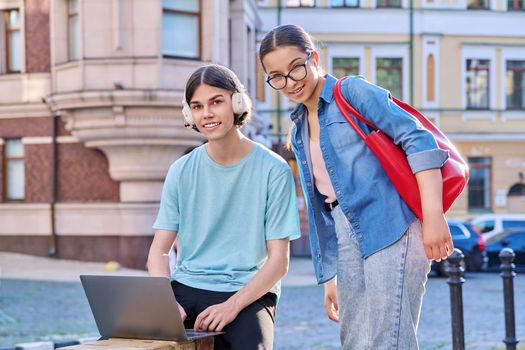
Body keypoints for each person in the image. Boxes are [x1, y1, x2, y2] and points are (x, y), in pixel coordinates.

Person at [259, 24, 453, 350]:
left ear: (314, 58)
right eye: (277, 76)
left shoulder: (351, 93)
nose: (290, 82)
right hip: (346, 239)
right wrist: (330, 275)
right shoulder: (297, 131)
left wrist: (433, 215)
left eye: (296, 68)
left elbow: (418, 140)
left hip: (392, 225)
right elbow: (323, 209)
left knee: (387, 340)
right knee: (354, 341)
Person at [147, 64, 300, 350]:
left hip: (249, 292)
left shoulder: (274, 170)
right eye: (197, 106)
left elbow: (279, 262)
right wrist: (165, 303)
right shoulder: (180, 170)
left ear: (237, 103)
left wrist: (231, 306)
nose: (206, 113)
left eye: (216, 102)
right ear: (188, 113)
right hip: (187, 286)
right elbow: (159, 250)